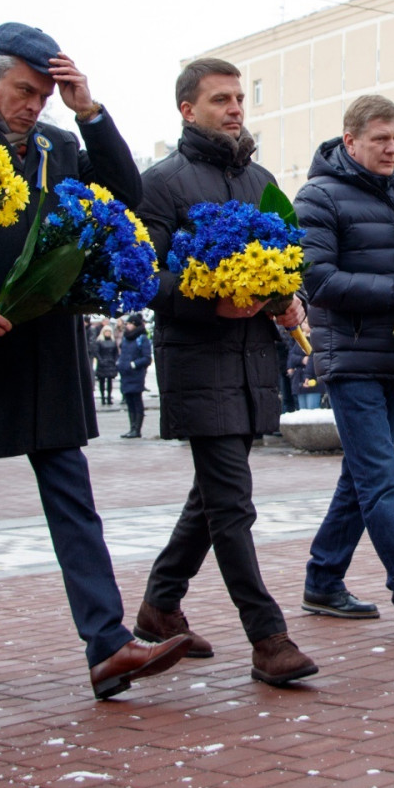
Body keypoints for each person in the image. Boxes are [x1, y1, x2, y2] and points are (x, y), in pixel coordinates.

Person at [0, 22, 189, 701]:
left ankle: (108, 644)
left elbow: (125, 194)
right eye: (24, 91)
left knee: (73, 500)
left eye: (44, 95)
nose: (33, 106)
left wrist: (88, 111)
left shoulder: (59, 146)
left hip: (46, 349)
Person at [135, 57, 316, 686]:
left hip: (252, 360)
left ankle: (160, 606)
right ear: (188, 109)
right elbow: (144, 276)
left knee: (213, 496)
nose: (235, 107)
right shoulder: (162, 183)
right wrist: (207, 299)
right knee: (232, 502)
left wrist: (283, 296)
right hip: (195, 357)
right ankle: (268, 638)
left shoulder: (262, 179)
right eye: (220, 99)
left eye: (239, 97)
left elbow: (285, 260)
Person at [297, 94, 394, 639]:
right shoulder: (318, 196)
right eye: (380, 138)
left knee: (360, 478)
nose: (391, 147)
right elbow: (315, 280)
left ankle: (322, 578)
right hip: (351, 358)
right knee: (379, 479)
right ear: (350, 139)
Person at [117, 315, 151, 437]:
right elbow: (122, 354)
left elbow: (147, 358)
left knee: (136, 401)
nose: (127, 326)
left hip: (136, 375)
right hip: (125, 374)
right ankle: (132, 428)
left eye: (130, 324)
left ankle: (137, 430)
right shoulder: (126, 338)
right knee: (129, 401)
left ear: (135, 325)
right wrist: (120, 364)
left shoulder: (142, 338)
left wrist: (133, 364)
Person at [92, 323, 119, 406]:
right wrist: (100, 360)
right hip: (102, 363)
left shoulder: (113, 341)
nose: (107, 333)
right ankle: (103, 398)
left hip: (110, 363)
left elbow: (116, 353)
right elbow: (96, 352)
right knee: (102, 381)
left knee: (110, 381)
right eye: (106, 331)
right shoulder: (99, 341)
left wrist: (115, 360)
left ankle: (108, 397)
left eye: (109, 331)